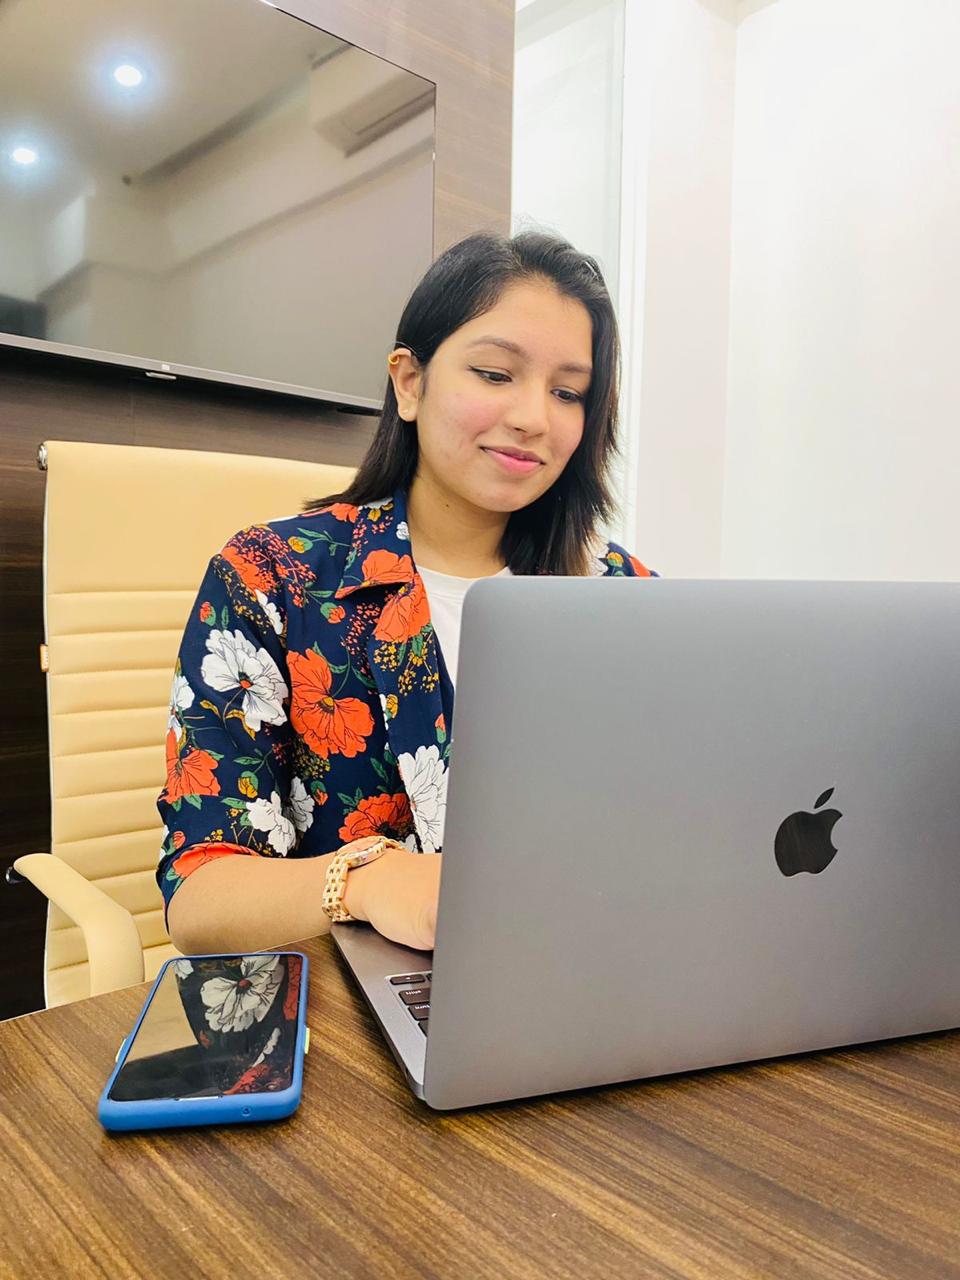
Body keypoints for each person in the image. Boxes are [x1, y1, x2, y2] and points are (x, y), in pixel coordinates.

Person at [158, 230, 656, 958]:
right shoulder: (272, 577)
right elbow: (199, 900)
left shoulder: (624, 593)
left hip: (584, 971)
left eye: (568, 392)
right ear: (410, 382)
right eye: (494, 374)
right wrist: (368, 882)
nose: (534, 417)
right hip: (349, 1011)